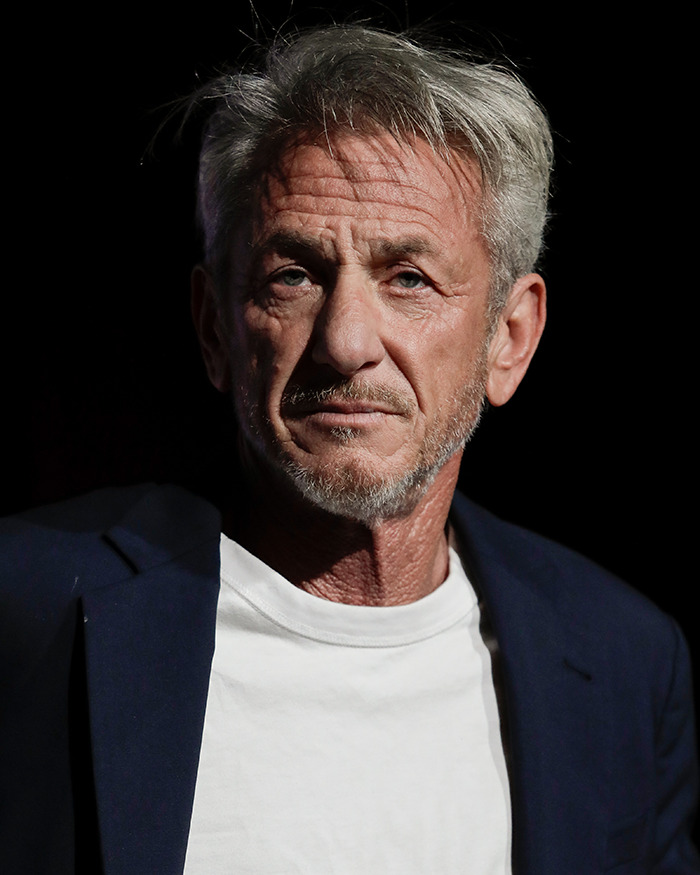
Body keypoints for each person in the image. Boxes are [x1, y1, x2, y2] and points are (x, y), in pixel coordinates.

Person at [1, 24, 697, 875]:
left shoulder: (623, 661)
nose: (345, 340)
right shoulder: (28, 603)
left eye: (409, 277)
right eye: (292, 274)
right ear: (215, 326)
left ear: (509, 338)